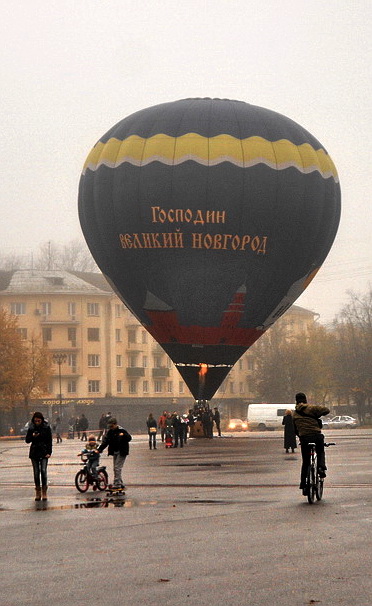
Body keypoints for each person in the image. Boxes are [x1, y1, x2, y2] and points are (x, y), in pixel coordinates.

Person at [292, 392, 330, 495]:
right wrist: (317, 414)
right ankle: (321, 467)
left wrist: (300, 436)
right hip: (316, 436)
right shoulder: (312, 408)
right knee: (320, 451)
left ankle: (303, 483)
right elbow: (326, 410)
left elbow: (294, 429)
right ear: (305, 399)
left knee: (306, 461)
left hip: (304, 438)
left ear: (296, 401)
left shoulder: (294, 413)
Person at [25, 411, 52, 501]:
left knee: (43, 471)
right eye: (36, 421)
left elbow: (49, 440)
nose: (37, 422)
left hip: (44, 451)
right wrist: (33, 436)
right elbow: (27, 440)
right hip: (34, 452)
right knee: (36, 473)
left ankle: (44, 490)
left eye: (39, 421)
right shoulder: (31, 428)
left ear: (41, 420)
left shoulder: (46, 427)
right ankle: (38, 491)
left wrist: (49, 452)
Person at [98, 418, 132, 488]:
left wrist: (123, 435)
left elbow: (129, 438)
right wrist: (99, 449)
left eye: (112, 426)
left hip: (122, 451)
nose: (111, 428)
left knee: (117, 467)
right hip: (115, 451)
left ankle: (117, 483)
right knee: (115, 468)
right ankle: (120, 482)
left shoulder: (122, 430)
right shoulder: (110, 432)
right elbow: (106, 441)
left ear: (115, 424)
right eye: (110, 426)